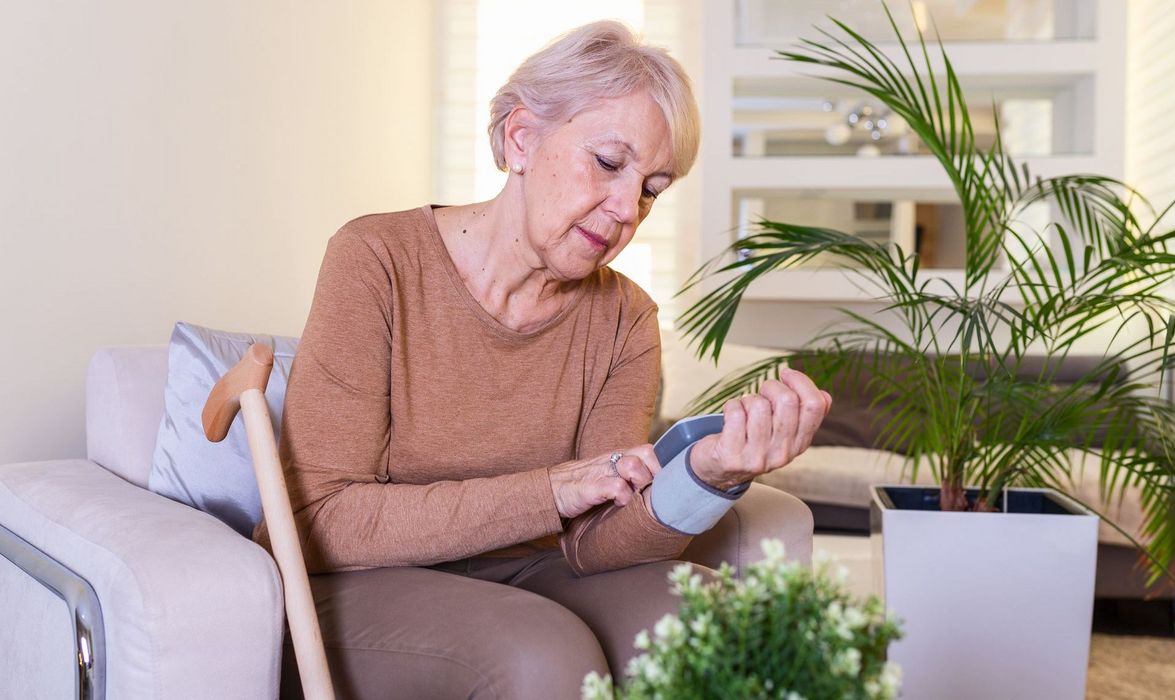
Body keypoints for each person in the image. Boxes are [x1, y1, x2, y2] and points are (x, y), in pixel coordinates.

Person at [256, 20, 832, 699]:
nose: (627, 209)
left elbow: (595, 542)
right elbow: (318, 520)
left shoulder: (625, 319)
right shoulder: (377, 259)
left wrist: (706, 473)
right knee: (539, 653)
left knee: (728, 624)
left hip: (531, 576)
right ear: (521, 138)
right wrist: (551, 489)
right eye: (610, 163)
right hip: (359, 584)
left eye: (652, 187)